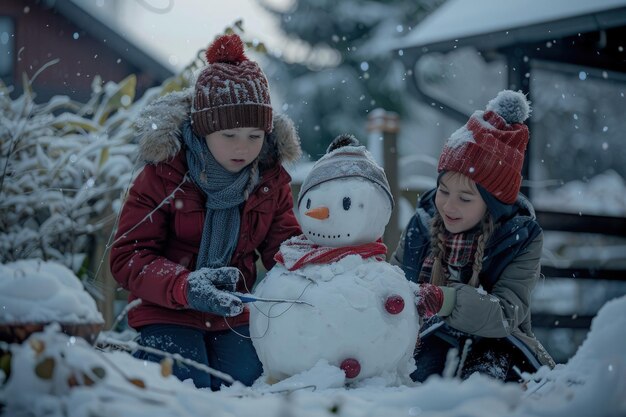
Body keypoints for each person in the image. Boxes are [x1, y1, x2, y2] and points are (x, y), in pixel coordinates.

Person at [109, 34, 302, 390]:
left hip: (232, 313)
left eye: (254, 135)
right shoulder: (164, 175)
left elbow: (284, 250)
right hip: (165, 309)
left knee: (247, 386)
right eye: (229, 134)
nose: (243, 148)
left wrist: (317, 273)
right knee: (187, 384)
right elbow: (128, 256)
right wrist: (184, 286)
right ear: (204, 128)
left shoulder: (269, 180)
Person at [391, 90, 556, 382]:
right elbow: (393, 280)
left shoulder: (520, 239)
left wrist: (447, 300)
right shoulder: (422, 225)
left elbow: (506, 314)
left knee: (482, 382)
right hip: (427, 340)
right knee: (417, 377)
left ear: (491, 205)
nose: (448, 205)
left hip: (498, 346)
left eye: (465, 198)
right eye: (443, 191)